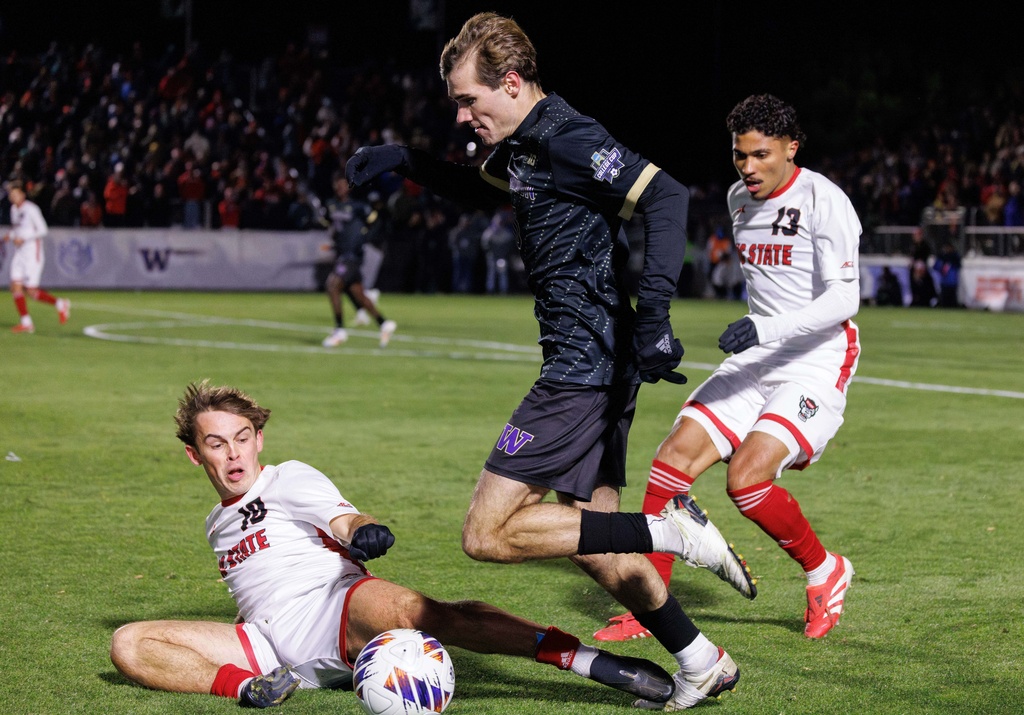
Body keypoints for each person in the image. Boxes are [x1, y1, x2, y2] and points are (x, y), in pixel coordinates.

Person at [346, 13, 752, 709]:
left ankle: (673, 530)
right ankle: (701, 659)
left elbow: (666, 195)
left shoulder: (569, 137)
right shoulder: (520, 149)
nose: (463, 116)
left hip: (582, 365)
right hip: (592, 361)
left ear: (510, 82)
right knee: (595, 544)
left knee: (486, 531)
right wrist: (410, 164)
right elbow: (486, 187)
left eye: (469, 100)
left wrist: (654, 314)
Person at [109, 381, 679, 709]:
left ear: (259, 439)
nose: (233, 455)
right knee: (130, 644)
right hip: (265, 645)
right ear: (195, 454)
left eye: (241, 439)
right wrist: (247, 642)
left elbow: (341, 517)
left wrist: (363, 532)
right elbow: (258, 584)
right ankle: (253, 691)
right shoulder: (217, 521)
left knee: (417, 611)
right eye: (217, 444)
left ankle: (586, 660)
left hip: (336, 611)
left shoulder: (287, 479)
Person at [595, 94, 860, 643]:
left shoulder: (824, 200)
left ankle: (823, 570)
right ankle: (651, 608)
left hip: (815, 360)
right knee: (668, 465)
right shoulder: (740, 199)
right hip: (761, 355)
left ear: (792, 148)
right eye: (740, 155)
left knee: (746, 481)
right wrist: (759, 328)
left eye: (761, 154)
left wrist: (767, 328)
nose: (748, 166)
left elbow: (845, 299)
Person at [321, 175, 397, 348]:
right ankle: (384, 324)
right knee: (358, 294)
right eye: (337, 183)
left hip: (352, 256)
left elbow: (376, 221)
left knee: (332, 286)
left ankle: (339, 331)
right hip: (342, 255)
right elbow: (326, 222)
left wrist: (365, 237)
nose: (340, 187)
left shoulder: (358, 206)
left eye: (343, 184)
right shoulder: (331, 205)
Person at [2, 181, 70, 333]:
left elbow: (43, 230)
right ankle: (26, 322)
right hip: (19, 253)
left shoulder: (31, 209)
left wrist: (24, 239)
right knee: (15, 286)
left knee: (31, 291)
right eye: (11, 195)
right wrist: (11, 235)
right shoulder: (14, 209)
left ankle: (60, 303)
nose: (13, 198)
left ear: (23, 195)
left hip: (33, 253)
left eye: (16, 194)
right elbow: (17, 228)